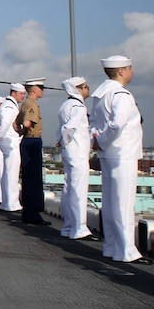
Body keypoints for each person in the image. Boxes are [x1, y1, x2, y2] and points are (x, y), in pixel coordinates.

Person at [90, 55, 149, 264]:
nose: (132, 71)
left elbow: (94, 124)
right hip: (122, 153)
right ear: (121, 71)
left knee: (111, 201)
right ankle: (126, 251)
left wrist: (96, 142)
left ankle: (112, 246)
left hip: (108, 153)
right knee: (123, 203)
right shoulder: (121, 95)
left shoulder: (100, 94)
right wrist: (103, 141)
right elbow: (117, 125)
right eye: (130, 67)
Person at [57, 76, 96, 241]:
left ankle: (68, 226)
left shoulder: (65, 105)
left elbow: (61, 130)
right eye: (85, 86)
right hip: (77, 152)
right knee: (78, 190)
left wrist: (62, 143)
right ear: (78, 89)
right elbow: (69, 128)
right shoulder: (78, 107)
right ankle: (79, 228)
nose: (88, 89)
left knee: (68, 189)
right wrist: (66, 142)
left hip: (69, 153)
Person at [17, 78, 50, 225]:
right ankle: (32, 213)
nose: (43, 91)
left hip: (28, 141)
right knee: (33, 179)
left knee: (29, 177)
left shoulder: (25, 104)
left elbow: (15, 123)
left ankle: (29, 211)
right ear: (35, 89)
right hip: (33, 141)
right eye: (42, 88)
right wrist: (24, 131)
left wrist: (20, 131)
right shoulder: (32, 104)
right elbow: (26, 123)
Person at [0, 83, 26, 213]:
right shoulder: (9, 106)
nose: (23, 96)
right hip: (10, 142)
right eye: (21, 94)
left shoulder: (10, 105)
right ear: (13, 92)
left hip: (9, 141)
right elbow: (5, 124)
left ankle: (8, 202)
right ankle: (11, 204)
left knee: (9, 172)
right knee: (11, 174)